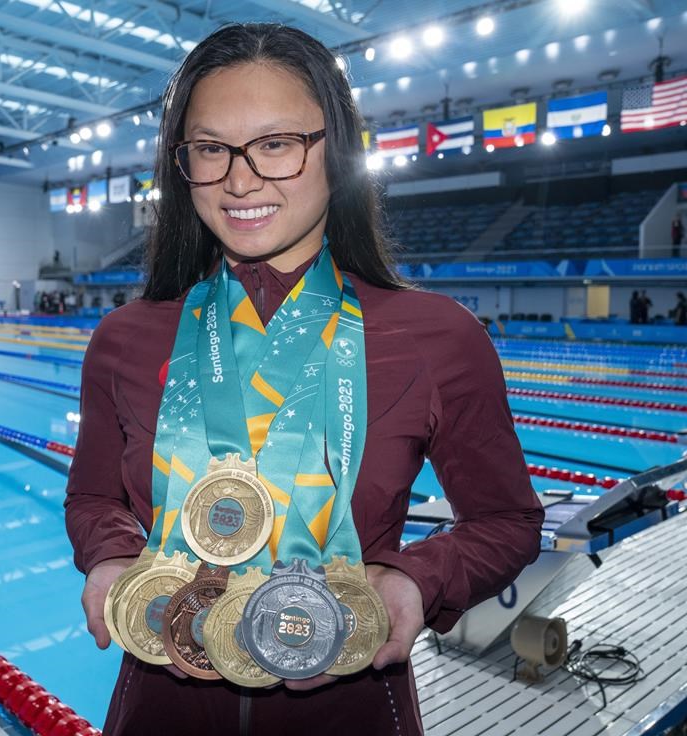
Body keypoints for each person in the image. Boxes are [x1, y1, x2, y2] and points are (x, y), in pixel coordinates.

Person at [65, 24, 543, 736]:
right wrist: (109, 556)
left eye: (276, 144)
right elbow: (93, 496)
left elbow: (508, 521)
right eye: (209, 148)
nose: (238, 178)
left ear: (336, 151)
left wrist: (416, 582)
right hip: (161, 701)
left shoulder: (438, 337)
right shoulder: (125, 339)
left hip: (353, 707)